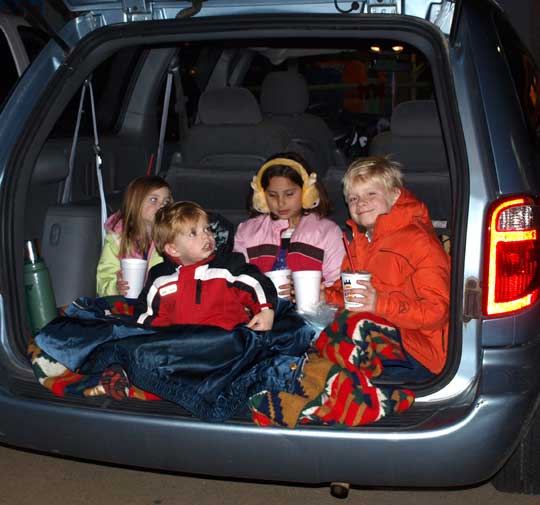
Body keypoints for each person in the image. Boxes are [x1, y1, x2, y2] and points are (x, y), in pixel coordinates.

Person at [325, 156, 450, 378]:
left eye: (371, 194)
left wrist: (379, 304)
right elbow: (348, 298)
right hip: (377, 334)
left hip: (422, 352)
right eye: (353, 198)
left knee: (351, 335)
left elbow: (436, 313)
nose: (361, 203)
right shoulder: (359, 244)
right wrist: (320, 295)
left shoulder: (418, 241)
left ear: (395, 195)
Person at [136, 201, 276, 331]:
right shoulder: (161, 278)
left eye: (207, 229)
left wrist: (266, 310)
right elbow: (147, 316)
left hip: (229, 344)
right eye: (193, 233)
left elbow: (257, 283)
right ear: (173, 249)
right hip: (182, 348)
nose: (206, 236)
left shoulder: (228, 266)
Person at [234, 153, 345, 298]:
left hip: (311, 316)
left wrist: (316, 294)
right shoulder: (247, 232)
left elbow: (338, 286)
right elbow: (238, 281)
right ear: (261, 196)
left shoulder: (328, 233)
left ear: (307, 192)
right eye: (272, 195)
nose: (281, 203)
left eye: (289, 194)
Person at [96, 176, 172, 297]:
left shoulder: (171, 236)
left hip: (159, 302)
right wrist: (115, 287)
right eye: (153, 200)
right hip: (126, 305)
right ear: (136, 203)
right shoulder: (118, 239)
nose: (162, 206)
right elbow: (104, 277)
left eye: (166, 202)